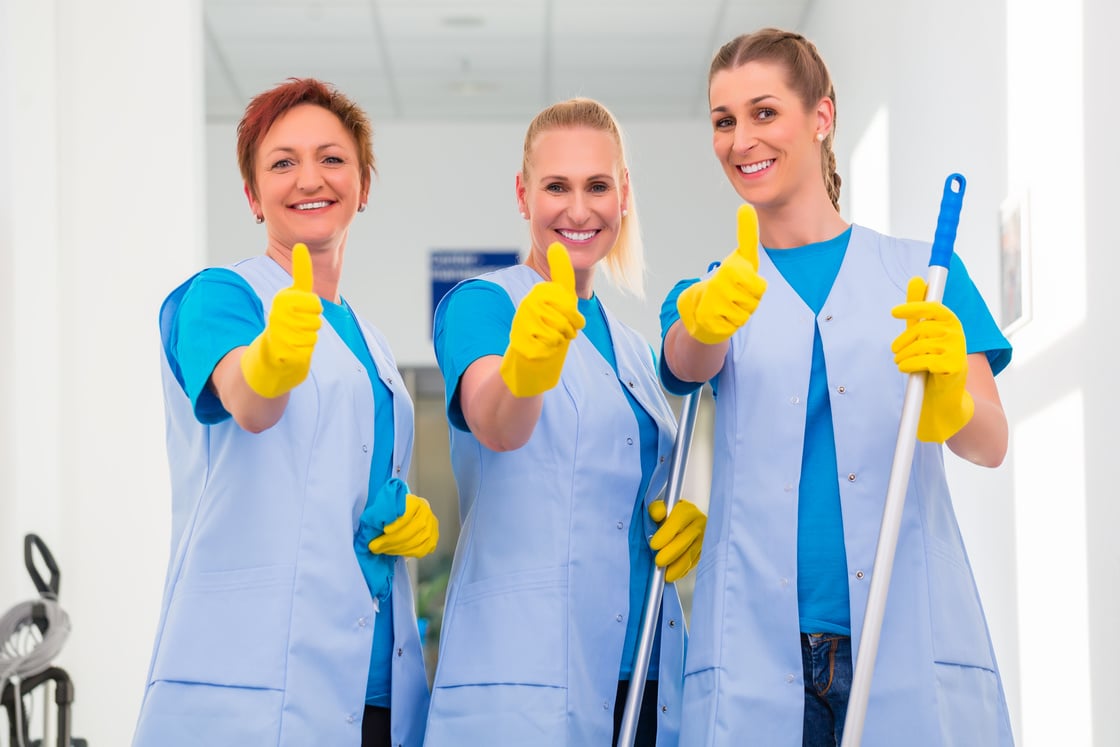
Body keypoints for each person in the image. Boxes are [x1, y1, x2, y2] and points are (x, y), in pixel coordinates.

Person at [658, 29, 1015, 747]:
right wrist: (702, 320)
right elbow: (684, 361)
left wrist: (948, 394)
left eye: (763, 112)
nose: (739, 139)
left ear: (822, 117)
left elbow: (990, 441)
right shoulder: (711, 293)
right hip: (759, 655)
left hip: (899, 635)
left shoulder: (924, 275)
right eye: (723, 120)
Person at [133, 78, 438, 747]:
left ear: (362, 186)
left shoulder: (371, 342)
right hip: (251, 684)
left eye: (332, 159)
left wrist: (391, 520)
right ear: (251, 194)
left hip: (373, 687)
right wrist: (271, 359)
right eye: (282, 162)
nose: (310, 178)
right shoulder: (221, 295)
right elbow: (248, 398)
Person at [422, 98, 706, 747]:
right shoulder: (482, 304)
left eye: (597, 185)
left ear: (624, 194)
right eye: (557, 186)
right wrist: (525, 367)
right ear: (524, 194)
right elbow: (494, 418)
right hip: (528, 678)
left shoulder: (634, 348)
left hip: (646, 676)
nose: (578, 209)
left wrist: (677, 525)